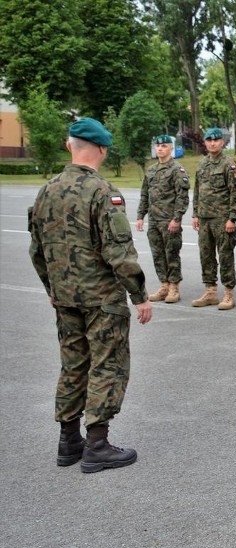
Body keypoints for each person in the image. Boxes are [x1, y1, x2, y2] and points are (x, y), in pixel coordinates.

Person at [29, 117, 152, 473]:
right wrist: (140, 294)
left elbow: (37, 250)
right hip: (101, 299)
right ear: (102, 149)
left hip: (65, 297)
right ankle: (97, 444)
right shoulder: (102, 192)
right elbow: (119, 252)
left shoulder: (47, 190)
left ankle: (69, 440)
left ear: (70, 146)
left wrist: (52, 288)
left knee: (73, 362)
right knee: (107, 363)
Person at [190, 127, 236, 310]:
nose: (212, 143)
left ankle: (228, 293)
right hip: (204, 219)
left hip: (222, 219)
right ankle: (210, 291)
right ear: (205, 143)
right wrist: (195, 213)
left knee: (225, 255)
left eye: (216, 140)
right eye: (209, 140)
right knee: (206, 255)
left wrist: (232, 218)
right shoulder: (202, 164)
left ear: (222, 142)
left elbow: (235, 192)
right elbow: (197, 190)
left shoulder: (229, 164)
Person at [135, 134, 189, 303]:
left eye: (164, 146)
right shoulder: (151, 170)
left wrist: (177, 218)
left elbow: (182, 196)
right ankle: (164, 285)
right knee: (157, 254)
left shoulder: (177, 170)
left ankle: (174, 287)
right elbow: (145, 194)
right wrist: (140, 216)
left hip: (169, 220)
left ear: (171, 148)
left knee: (171, 253)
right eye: (158, 146)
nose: (160, 149)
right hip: (154, 220)